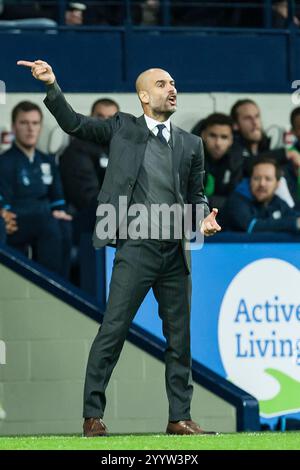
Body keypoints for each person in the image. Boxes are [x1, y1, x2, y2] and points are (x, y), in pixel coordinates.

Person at [17, 58, 221, 436]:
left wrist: (204, 217)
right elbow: (74, 123)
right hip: (136, 246)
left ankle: (180, 417)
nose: (171, 87)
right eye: (162, 83)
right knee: (112, 330)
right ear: (144, 95)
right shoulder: (121, 128)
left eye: (173, 82)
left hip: (176, 250)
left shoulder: (192, 144)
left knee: (180, 339)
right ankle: (92, 415)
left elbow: (196, 195)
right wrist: (51, 86)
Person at [0, 101, 72, 276]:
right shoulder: (5, 162)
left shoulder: (47, 160)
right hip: (17, 221)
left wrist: (60, 211)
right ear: (14, 127)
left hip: (45, 217)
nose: (30, 129)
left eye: (35, 123)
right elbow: (6, 206)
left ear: (40, 127)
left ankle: (65, 286)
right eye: (24, 123)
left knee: (65, 224)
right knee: (48, 222)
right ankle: (50, 286)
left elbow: (57, 198)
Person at [59, 98, 120, 231]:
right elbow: (86, 197)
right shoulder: (78, 149)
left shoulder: (124, 149)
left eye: (111, 118)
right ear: (90, 118)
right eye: (100, 116)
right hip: (90, 220)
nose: (105, 122)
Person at [222, 157, 300, 234]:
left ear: (277, 184)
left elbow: (294, 216)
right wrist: (294, 224)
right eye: (256, 178)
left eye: (268, 179)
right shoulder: (236, 200)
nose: (262, 184)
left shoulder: (278, 202)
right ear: (250, 181)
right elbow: (251, 227)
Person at [198, 112, 241, 209]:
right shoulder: (189, 159)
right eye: (213, 136)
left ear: (231, 140)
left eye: (224, 137)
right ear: (203, 135)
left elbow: (235, 200)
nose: (218, 143)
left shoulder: (236, 163)